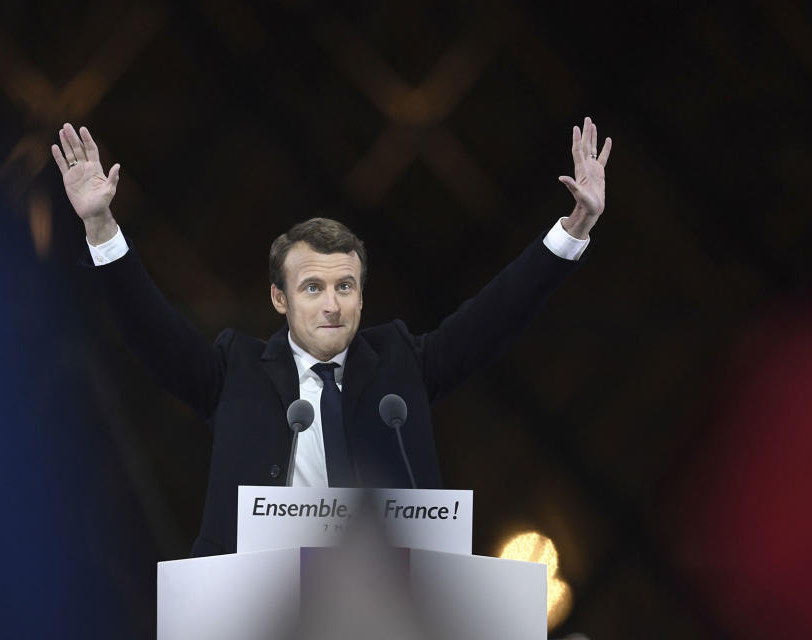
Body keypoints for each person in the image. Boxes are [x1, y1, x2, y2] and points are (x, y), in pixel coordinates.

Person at [51, 119, 612, 557]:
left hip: (388, 605)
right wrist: (100, 226)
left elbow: (497, 314)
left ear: (362, 297)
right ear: (280, 299)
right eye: (313, 287)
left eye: (345, 286)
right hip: (251, 609)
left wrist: (576, 226)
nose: (331, 302)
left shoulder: (402, 364)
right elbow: (150, 330)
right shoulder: (233, 370)